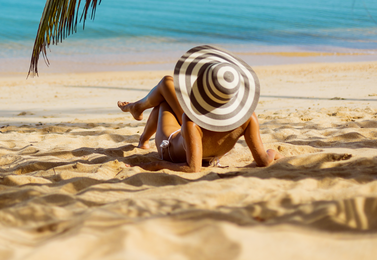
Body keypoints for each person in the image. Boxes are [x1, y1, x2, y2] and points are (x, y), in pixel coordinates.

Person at [118, 45, 281, 172]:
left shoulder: (192, 122)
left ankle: (141, 129)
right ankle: (138, 116)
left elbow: (192, 168)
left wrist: (154, 165)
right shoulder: (249, 118)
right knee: (166, 87)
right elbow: (263, 161)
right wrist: (273, 152)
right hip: (207, 152)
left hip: (169, 149)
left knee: (164, 93)